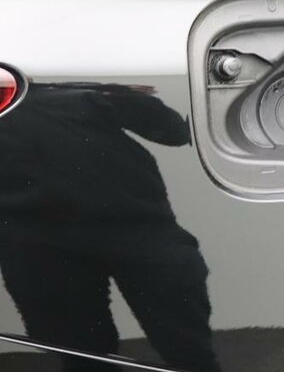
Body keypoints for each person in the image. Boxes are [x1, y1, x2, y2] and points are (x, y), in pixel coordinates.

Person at [0, 82, 221, 372]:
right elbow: (175, 132)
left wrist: (117, 94)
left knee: (188, 349)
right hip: (38, 244)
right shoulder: (74, 93)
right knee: (82, 356)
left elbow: (175, 131)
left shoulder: (76, 92)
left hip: (137, 231)